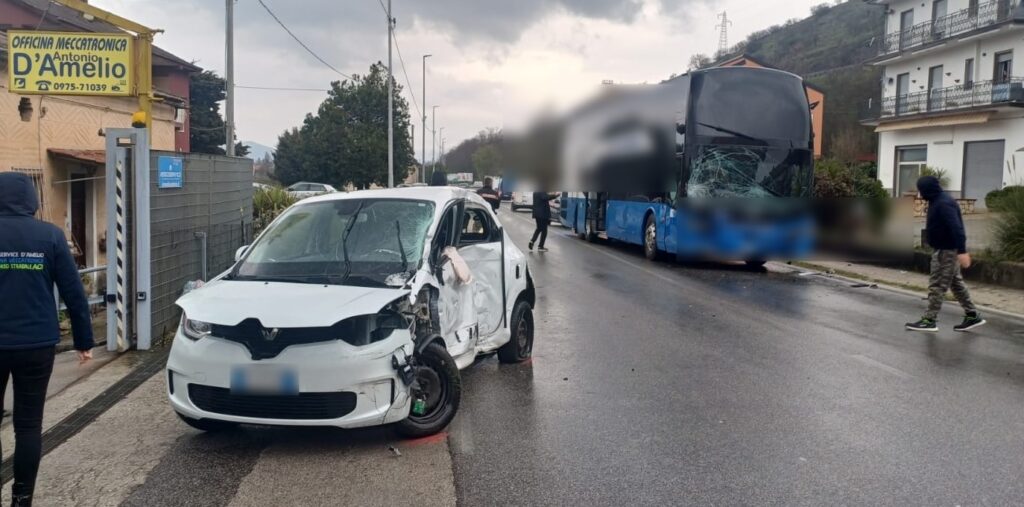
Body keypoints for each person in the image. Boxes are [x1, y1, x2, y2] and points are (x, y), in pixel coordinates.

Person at [0, 172, 94, 507]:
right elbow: (74, 294)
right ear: (31, 200)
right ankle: (22, 498)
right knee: (27, 425)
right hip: (37, 343)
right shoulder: (50, 237)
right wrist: (84, 341)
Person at [905, 175, 986, 332]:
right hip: (944, 249)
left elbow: (957, 228)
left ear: (928, 189)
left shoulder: (944, 203)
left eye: (921, 190)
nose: (920, 194)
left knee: (937, 285)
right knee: (956, 284)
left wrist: (962, 251)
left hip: (946, 251)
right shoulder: (938, 200)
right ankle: (972, 315)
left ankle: (930, 320)